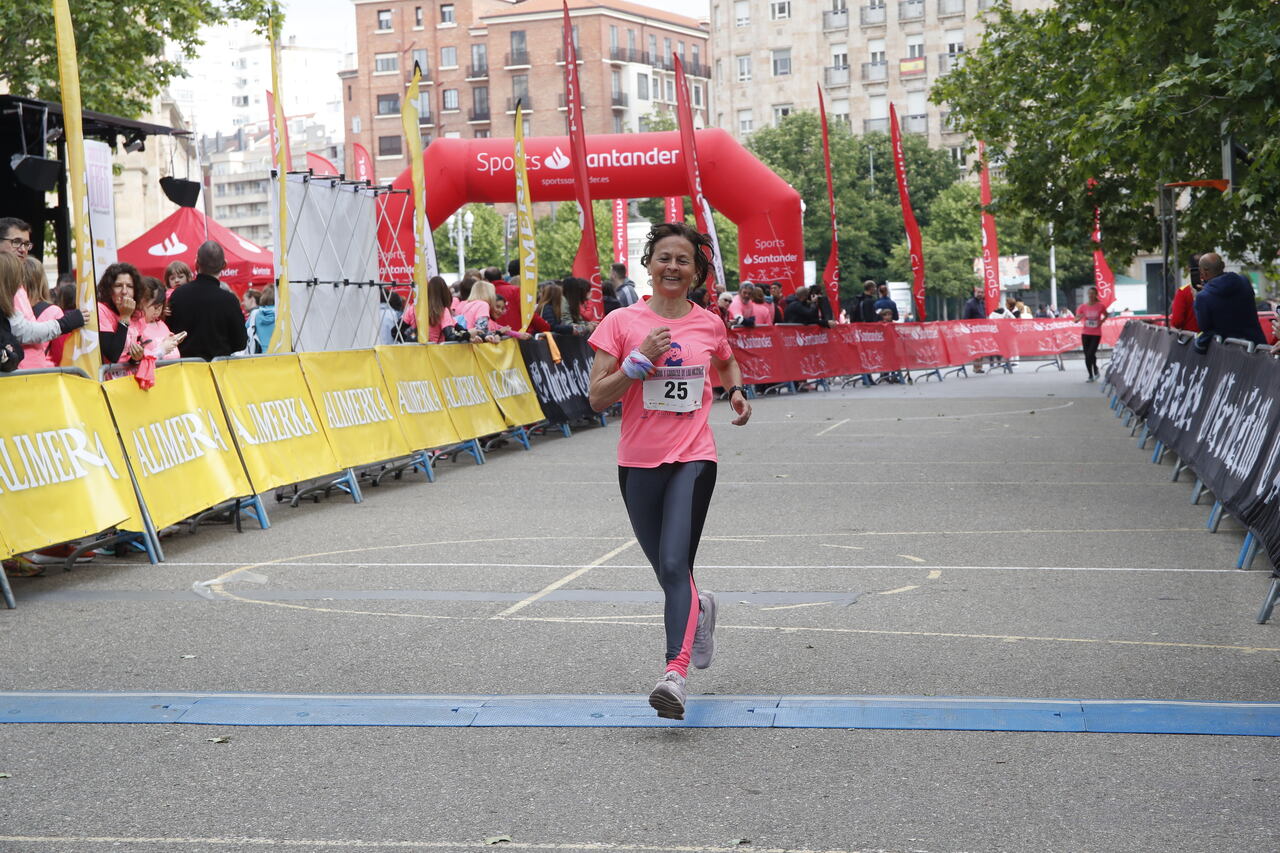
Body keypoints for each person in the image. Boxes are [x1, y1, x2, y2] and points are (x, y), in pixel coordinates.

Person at [586, 222, 752, 720]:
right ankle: (699, 611)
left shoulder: (709, 323)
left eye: (683, 260)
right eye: (664, 258)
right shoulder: (620, 322)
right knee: (666, 571)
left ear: (697, 271)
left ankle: (673, 675)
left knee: (677, 565)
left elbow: (726, 362)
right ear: (649, 265)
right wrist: (638, 362)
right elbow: (597, 398)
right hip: (637, 462)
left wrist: (737, 392)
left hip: (694, 456)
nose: (673, 268)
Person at [167, 241, 249, 360]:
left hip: (184, 372)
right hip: (218, 372)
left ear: (196, 264)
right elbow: (240, 343)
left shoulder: (178, 295)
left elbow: (168, 334)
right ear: (224, 265)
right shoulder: (229, 300)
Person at [1193, 252, 1266, 352]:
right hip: (1257, 348)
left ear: (1203, 273)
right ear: (1223, 266)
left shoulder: (1203, 297)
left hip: (1227, 354)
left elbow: (1204, 327)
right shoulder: (1244, 281)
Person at [120, 276, 184, 364]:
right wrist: (162, 350)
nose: (157, 311)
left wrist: (171, 340)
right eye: (155, 307)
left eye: (161, 307)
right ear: (140, 303)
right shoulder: (134, 327)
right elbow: (137, 359)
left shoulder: (161, 324)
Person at [18, 256, 63, 369]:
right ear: (42, 281)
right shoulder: (54, 312)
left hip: (14, 375)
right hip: (45, 375)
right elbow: (60, 354)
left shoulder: (11, 309)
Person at [1076, 286, 1108, 382]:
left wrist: (1101, 321)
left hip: (1096, 333)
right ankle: (1091, 374)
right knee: (1087, 355)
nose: (1091, 295)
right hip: (1085, 333)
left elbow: (1106, 315)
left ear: (1096, 295)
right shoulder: (1082, 307)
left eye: (1092, 293)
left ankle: (1094, 370)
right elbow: (1076, 318)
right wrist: (1078, 318)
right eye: (1089, 293)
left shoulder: (1100, 306)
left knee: (1091, 353)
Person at [961, 286, 987, 374]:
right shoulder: (970, 303)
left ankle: (980, 366)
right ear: (975, 293)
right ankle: (976, 367)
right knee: (977, 348)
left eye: (981, 292)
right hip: (974, 330)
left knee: (982, 348)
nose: (980, 294)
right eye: (978, 292)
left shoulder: (983, 303)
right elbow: (966, 318)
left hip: (983, 329)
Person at [248, 286, 277, 351]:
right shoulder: (283, 314)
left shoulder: (254, 314)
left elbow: (247, 328)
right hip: (282, 355)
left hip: (260, 357)